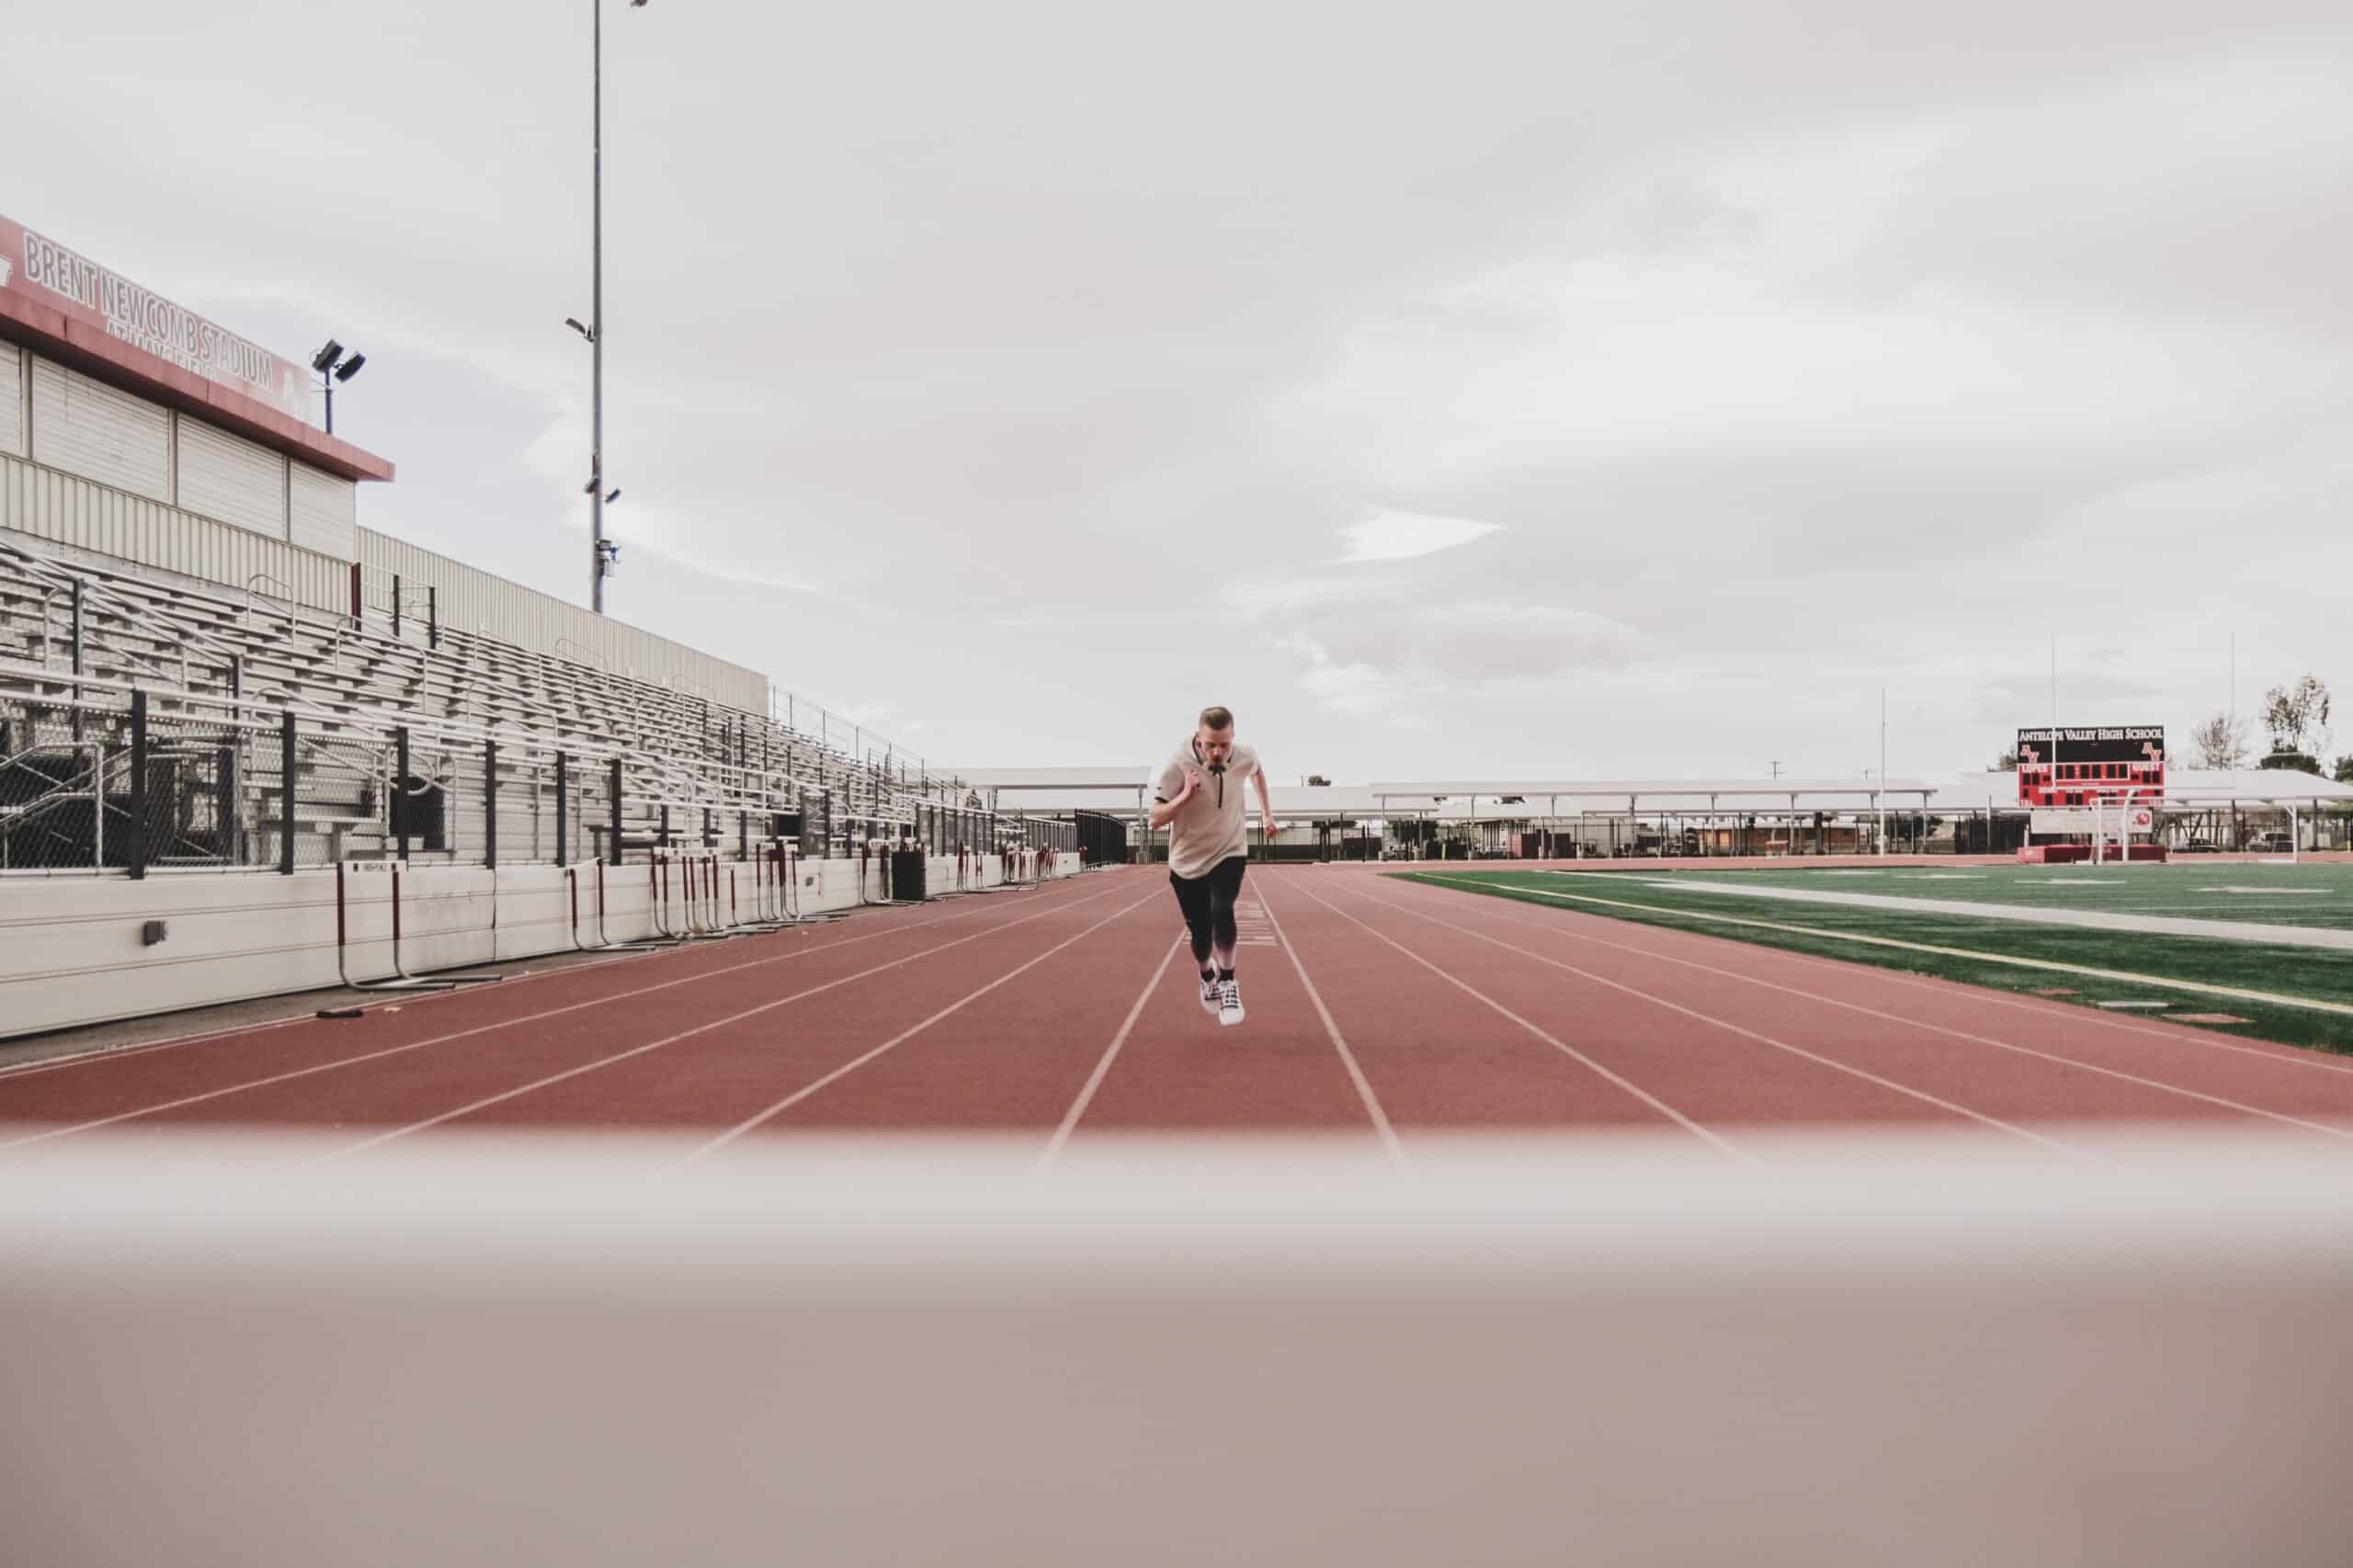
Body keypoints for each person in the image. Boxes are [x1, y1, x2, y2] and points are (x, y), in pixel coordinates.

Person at [1150, 705, 1276, 1027]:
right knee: (1201, 937)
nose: (1218, 752)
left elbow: (1257, 770)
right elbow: (1155, 819)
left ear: (1233, 738)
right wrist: (1186, 795)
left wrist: (1266, 813)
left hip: (1229, 849)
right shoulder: (1178, 765)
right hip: (1187, 861)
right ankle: (1207, 975)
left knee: (1223, 909)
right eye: (1210, 745)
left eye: (1224, 744)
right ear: (1198, 738)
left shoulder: (1244, 756)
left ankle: (1229, 981)